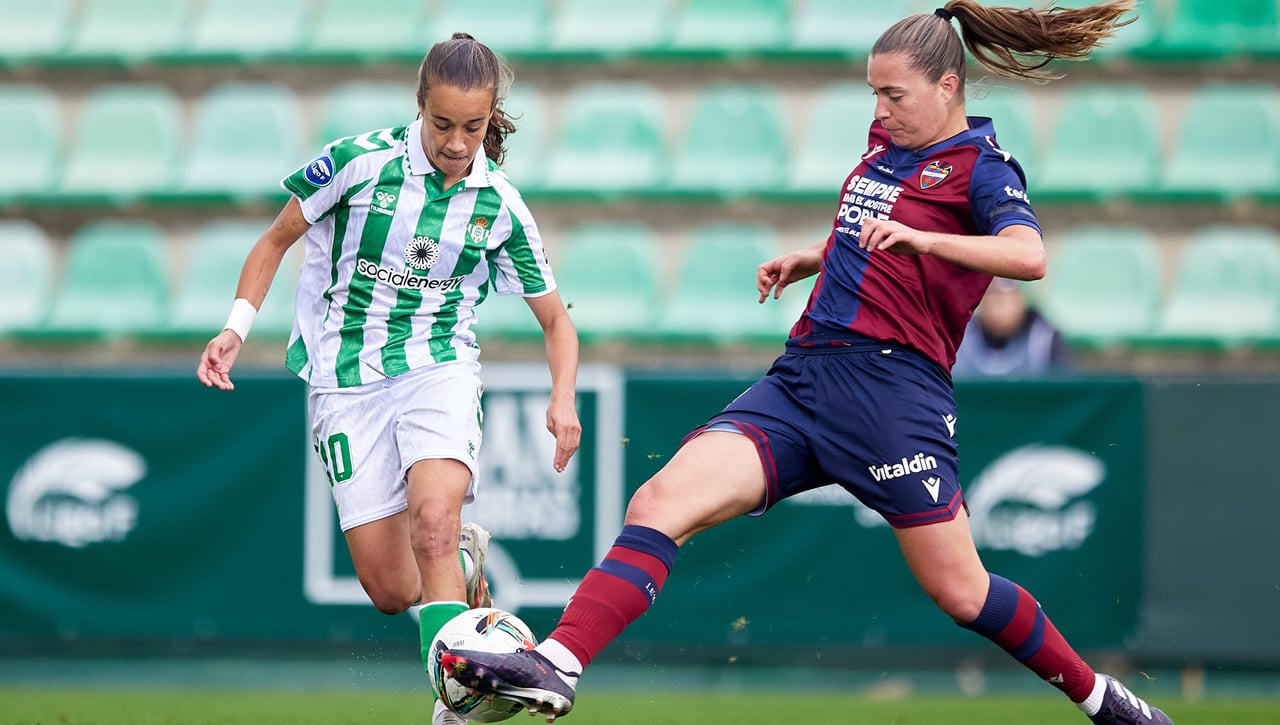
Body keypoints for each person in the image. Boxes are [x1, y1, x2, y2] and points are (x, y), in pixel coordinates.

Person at [442, 3, 1173, 724]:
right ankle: (560, 664)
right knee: (659, 504)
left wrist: (929, 242)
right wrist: (815, 256)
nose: (881, 109)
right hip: (804, 375)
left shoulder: (982, 169)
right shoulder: (887, 145)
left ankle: (1102, 698)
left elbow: (1027, 254)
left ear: (948, 87)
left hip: (892, 396)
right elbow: (873, 227)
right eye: (873, 93)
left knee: (963, 592)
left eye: (895, 94)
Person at [195, 33, 582, 725]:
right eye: (443, 124)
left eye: (473, 126)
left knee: (433, 522)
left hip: (438, 367)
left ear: (491, 117)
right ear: (419, 106)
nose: (458, 142)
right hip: (345, 379)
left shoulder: (499, 205)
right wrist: (235, 326)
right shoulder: (355, 162)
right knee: (389, 586)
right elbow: (274, 239)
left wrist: (561, 396)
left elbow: (557, 320)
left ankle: (454, 707)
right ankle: (463, 569)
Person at [952, 277, 1071, 377]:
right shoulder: (958, 336)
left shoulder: (1046, 339)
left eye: (1008, 292)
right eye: (992, 292)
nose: (998, 302)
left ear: (1023, 298)